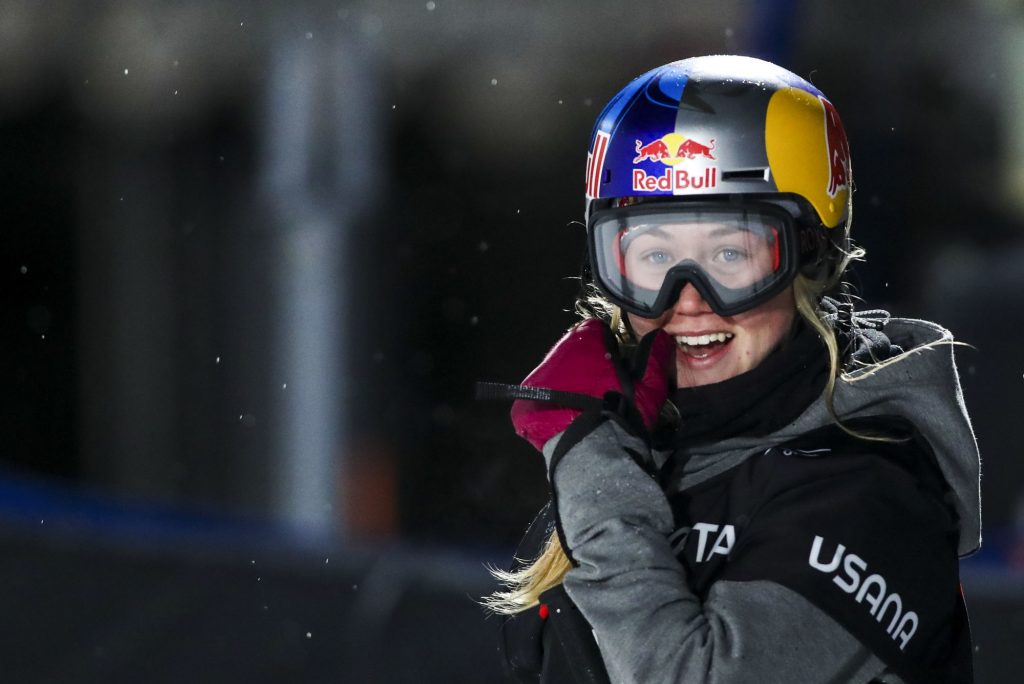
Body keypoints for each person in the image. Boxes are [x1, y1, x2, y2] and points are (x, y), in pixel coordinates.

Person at [483, 55, 980, 684]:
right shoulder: (639, 451)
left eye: (728, 253)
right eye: (655, 255)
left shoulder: (871, 490)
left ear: (807, 260)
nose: (687, 300)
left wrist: (590, 465)